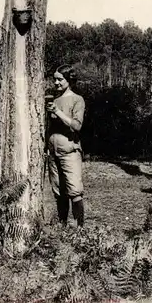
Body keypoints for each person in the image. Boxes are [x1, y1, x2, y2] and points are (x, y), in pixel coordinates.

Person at [46, 64, 85, 228]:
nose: (56, 83)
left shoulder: (77, 99)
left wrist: (58, 112)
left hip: (70, 152)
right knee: (59, 192)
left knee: (74, 191)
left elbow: (76, 126)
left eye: (60, 79)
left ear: (69, 80)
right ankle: (62, 227)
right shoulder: (53, 100)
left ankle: (79, 229)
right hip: (53, 153)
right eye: (54, 79)